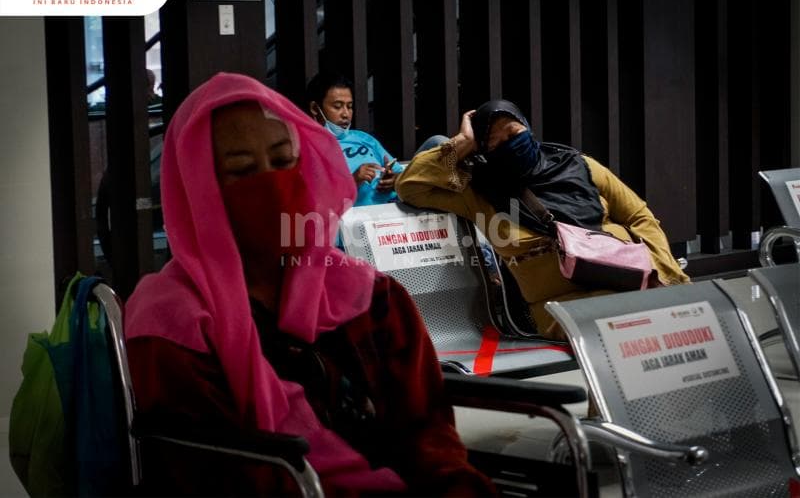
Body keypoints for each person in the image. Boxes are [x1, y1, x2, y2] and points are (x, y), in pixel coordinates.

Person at [123, 72, 494, 496]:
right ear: (197, 193)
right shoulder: (172, 324)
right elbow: (218, 475)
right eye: (242, 171)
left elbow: (427, 432)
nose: (272, 185)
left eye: (284, 162)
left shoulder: (370, 296)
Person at [395, 99, 690, 340]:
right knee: (635, 325)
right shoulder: (480, 192)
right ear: (483, 152)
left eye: (513, 133)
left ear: (528, 128)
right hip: (562, 306)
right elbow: (410, 185)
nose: (509, 144)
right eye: (495, 144)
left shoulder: (577, 165)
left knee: (683, 316)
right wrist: (462, 141)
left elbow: (639, 216)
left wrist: (665, 273)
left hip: (630, 280)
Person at [306, 72, 404, 206]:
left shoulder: (362, 137)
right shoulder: (308, 148)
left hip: (395, 210)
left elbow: (404, 175)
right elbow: (315, 200)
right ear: (315, 108)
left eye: (349, 106)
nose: (346, 114)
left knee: (437, 142)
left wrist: (393, 180)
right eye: (337, 106)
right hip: (359, 219)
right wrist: (353, 181)